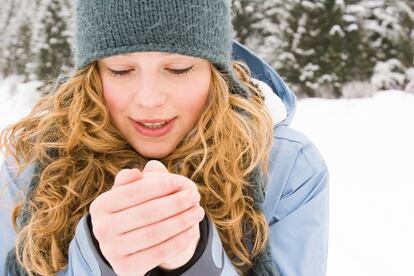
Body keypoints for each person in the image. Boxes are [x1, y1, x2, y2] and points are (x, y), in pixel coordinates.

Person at [0, 0, 329, 275]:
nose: (149, 99)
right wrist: (95, 259)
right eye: (120, 70)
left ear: (217, 72)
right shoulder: (26, 167)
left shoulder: (289, 167)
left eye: (178, 69)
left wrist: (196, 259)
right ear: (93, 73)